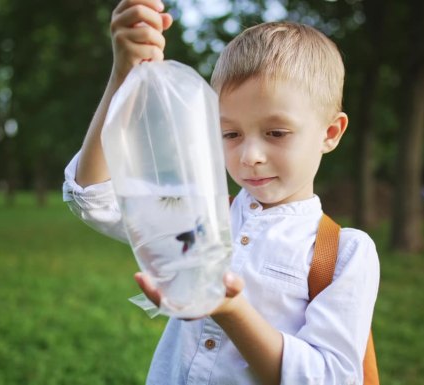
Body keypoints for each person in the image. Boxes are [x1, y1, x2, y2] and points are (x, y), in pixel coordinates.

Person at [63, 0, 380, 383]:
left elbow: (327, 377)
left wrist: (230, 309)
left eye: (276, 133)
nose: (249, 156)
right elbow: (94, 198)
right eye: (230, 134)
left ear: (330, 133)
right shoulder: (202, 216)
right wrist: (123, 74)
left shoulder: (344, 254)